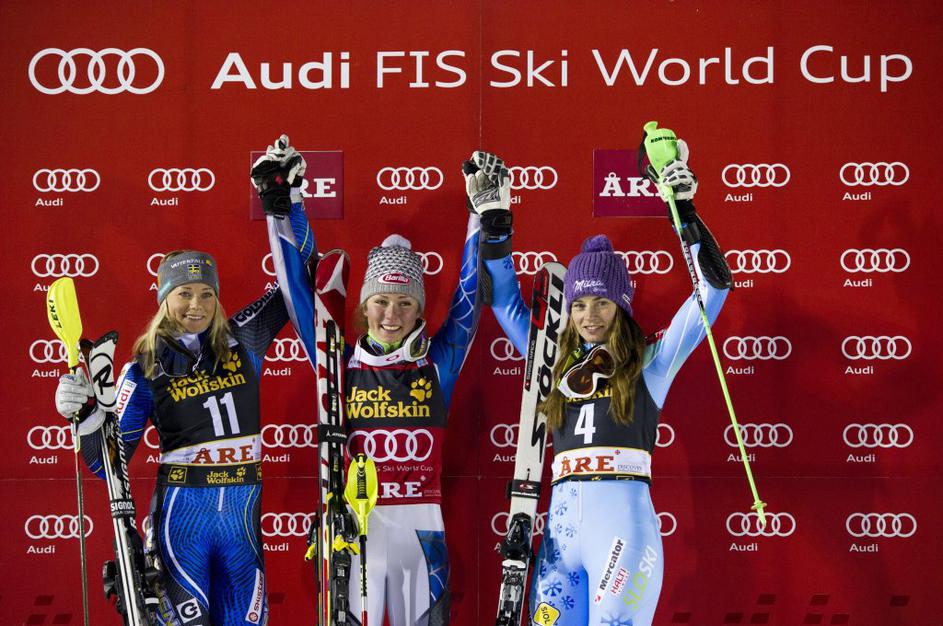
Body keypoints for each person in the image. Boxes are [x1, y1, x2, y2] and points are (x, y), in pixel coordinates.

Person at [251, 137, 516, 626]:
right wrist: (281, 204)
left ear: (419, 309)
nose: (391, 314)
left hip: (422, 529)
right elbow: (297, 291)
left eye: (405, 303)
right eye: (380, 302)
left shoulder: (438, 362)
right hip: (356, 527)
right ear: (363, 306)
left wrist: (480, 215)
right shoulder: (335, 359)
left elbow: (468, 297)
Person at [482, 142, 732, 626]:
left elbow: (712, 290)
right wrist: (495, 220)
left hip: (623, 536)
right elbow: (503, 302)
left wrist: (684, 211)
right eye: (579, 304)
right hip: (560, 538)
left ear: (621, 305)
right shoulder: (551, 360)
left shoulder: (650, 362)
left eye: (601, 302)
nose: (589, 315)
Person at [55, 247, 305, 625]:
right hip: (182, 527)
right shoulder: (144, 368)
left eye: (206, 293)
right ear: (164, 298)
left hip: (241, 529)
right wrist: (84, 414)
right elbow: (107, 464)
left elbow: (293, 276)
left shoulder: (245, 337)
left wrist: (290, 216)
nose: (196, 305)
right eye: (184, 293)